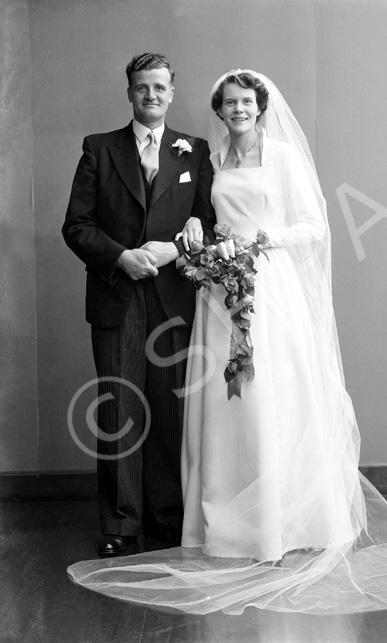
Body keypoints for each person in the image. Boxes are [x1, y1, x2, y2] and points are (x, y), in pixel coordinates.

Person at [67, 71, 387, 614]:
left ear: (261, 107)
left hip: (269, 286)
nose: (237, 110)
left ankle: (274, 521)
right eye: (229, 103)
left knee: (269, 398)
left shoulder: (279, 156)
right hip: (217, 294)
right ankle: (219, 519)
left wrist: (259, 241)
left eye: (246, 102)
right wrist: (200, 237)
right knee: (218, 405)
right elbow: (203, 218)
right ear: (218, 110)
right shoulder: (211, 159)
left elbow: (313, 224)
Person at [62, 53, 215, 557]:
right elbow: (76, 226)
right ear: (129, 93)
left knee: (171, 409)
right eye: (141, 87)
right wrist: (121, 258)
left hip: (175, 296)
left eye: (160, 87)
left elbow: (211, 223)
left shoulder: (194, 150)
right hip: (117, 295)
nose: (151, 95)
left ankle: (167, 516)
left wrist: (176, 248)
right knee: (120, 409)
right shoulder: (99, 149)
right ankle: (120, 523)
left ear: (172, 92)